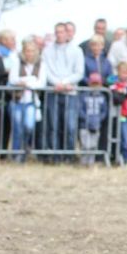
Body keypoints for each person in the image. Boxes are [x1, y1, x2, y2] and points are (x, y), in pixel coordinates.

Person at [41, 22, 84, 160]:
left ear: (67, 33)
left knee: (70, 127)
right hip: (53, 93)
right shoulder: (47, 51)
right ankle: (54, 156)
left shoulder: (77, 51)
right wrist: (57, 84)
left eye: (62, 32)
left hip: (70, 94)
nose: (59, 35)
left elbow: (79, 72)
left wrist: (65, 83)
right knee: (53, 125)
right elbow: (45, 70)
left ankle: (68, 156)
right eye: (57, 32)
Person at [6, 39, 45, 161]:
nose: (30, 53)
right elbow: (12, 79)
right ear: (23, 52)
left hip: (31, 102)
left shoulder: (41, 64)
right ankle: (17, 155)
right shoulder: (17, 62)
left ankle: (24, 149)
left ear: (36, 52)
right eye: (27, 51)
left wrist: (26, 81)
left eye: (32, 51)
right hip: (17, 101)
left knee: (28, 126)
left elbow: (41, 83)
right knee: (17, 128)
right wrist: (30, 80)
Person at [78, 72, 108, 166]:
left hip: (96, 125)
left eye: (97, 84)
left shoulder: (102, 97)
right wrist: (86, 119)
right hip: (84, 125)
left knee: (93, 145)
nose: (95, 86)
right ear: (89, 84)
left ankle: (91, 162)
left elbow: (104, 111)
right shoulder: (83, 96)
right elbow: (79, 109)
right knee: (85, 145)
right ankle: (83, 162)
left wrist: (98, 119)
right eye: (93, 84)